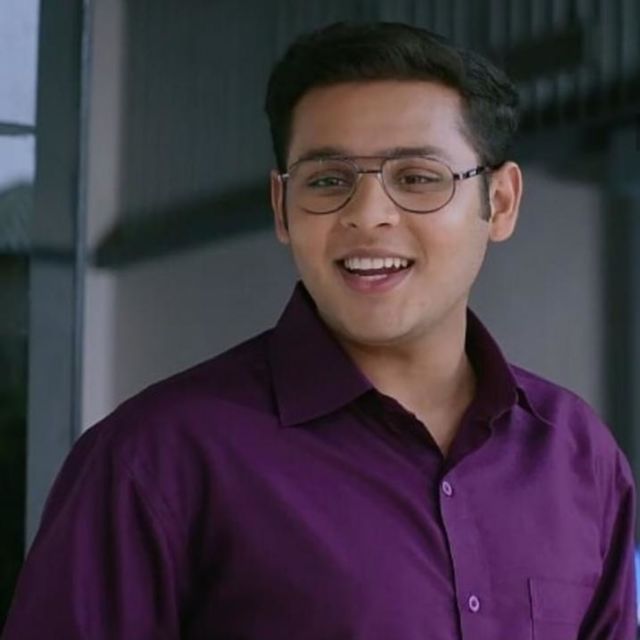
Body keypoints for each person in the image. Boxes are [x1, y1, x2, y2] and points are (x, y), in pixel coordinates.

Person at [3, 21, 636, 640]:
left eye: (417, 178)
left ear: (499, 202)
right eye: (329, 181)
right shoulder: (153, 461)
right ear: (282, 208)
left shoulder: (577, 455)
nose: (368, 215)